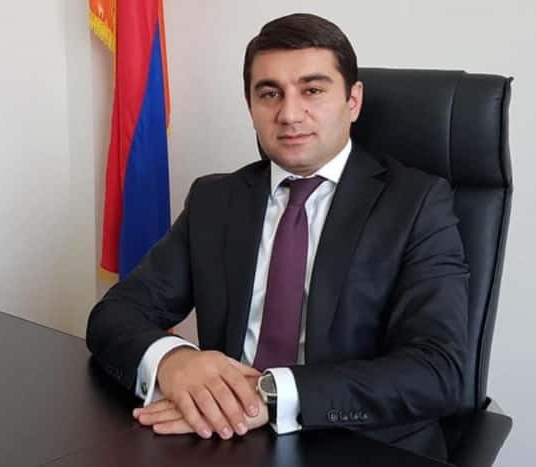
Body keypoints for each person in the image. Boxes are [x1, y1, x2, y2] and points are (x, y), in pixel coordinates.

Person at [86, 13, 468, 460]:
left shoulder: (417, 203)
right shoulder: (215, 200)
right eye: (269, 94)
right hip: (226, 440)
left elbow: (437, 369)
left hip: (360, 444)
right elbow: (114, 315)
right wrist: (174, 362)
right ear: (250, 106)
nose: (289, 114)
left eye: (312, 90)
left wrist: (270, 394)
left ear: (353, 101)